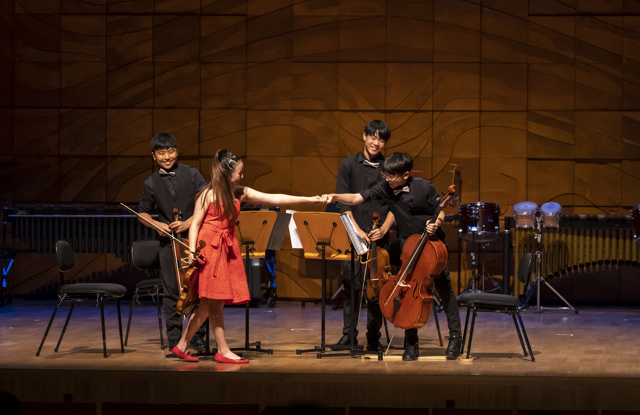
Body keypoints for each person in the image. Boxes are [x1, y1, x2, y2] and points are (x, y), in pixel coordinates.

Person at [172, 149, 323, 363]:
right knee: (214, 302)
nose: (242, 176)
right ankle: (222, 351)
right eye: (239, 173)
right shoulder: (208, 194)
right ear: (226, 174)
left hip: (226, 247)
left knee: (209, 303)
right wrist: (193, 252)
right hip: (210, 248)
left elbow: (273, 197)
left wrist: (307, 200)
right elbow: (195, 224)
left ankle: (182, 345)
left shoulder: (238, 192)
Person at [323, 152, 463, 361]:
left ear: (405, 174)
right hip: (408, 243)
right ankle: (411, 344)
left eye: (391, 176)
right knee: (407, 289)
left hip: (433, 244)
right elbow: (356, 197)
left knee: (444, 287)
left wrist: (437, 223)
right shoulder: (385, 187)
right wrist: (334, 196)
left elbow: (440, 211)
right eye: (385, 174)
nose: (386, 179)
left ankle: (455, 337)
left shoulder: (424, 186)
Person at [138, 133, 208, 354]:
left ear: (177, 151)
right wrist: (158, 225)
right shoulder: (150, 183)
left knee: (198, 290)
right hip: (168, 244)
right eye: (161, 152)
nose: (167, 156)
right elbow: (143, 213)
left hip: (195, 241)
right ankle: (175, 340)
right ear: (153, 156)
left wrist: (189, 222)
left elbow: (207, 201)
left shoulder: (193, 173)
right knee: (171, 293)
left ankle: (198, 338)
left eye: (170, 151)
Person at [329, 120, 395, 352]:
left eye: (381, 139)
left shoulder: (389, 166)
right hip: (353, 237)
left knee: (376, 289)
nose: (377, 143)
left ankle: (374, 337)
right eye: (373, 137)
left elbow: (396, 205)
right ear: (364, 136)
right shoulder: (348, 164)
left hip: (380, 238)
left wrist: (384, 229)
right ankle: (349, 336)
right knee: (351, 286)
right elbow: (343, 204)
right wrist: (357, 230)